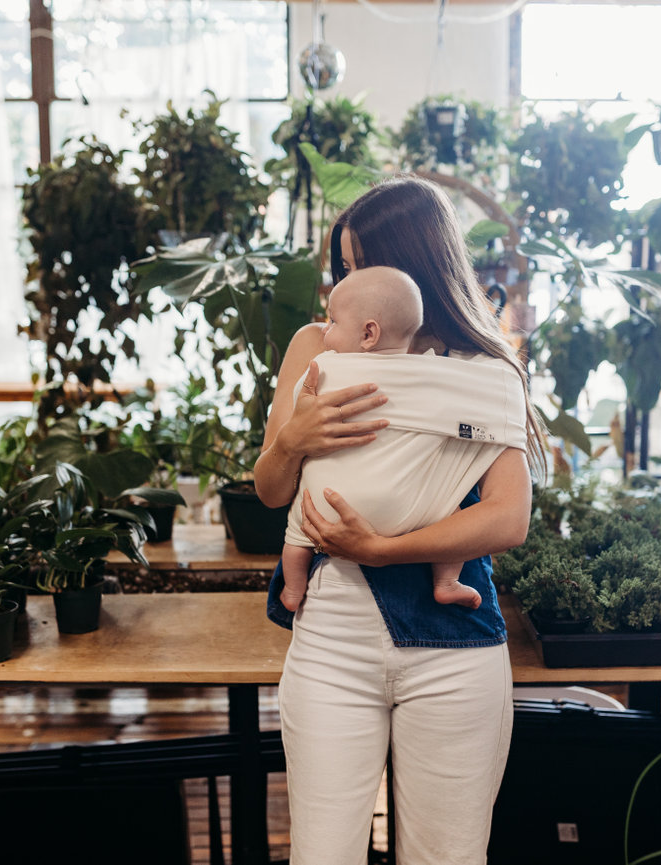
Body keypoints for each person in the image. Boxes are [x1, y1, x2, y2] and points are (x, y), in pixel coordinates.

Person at [254, 175, 549, 865]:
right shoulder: (318, 351)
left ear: (415, 266)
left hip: (452, 645)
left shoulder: (479, 368)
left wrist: (383, 548)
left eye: (361, 265)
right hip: (334, 639)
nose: (348, 283)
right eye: (344, 268)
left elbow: (508, 518)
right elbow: (270, 490)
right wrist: (296, 438)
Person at [279, 264, 504, 613]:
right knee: (454, 508)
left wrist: (294, 432)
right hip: (413, 514)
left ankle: (293, 590)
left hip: (327, 505)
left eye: (334, 323)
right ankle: (446, 582)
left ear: (368, 333)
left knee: (297, 533)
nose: (326, 333)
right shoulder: (438, 372)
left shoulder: (326, 367)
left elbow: (300, 401)